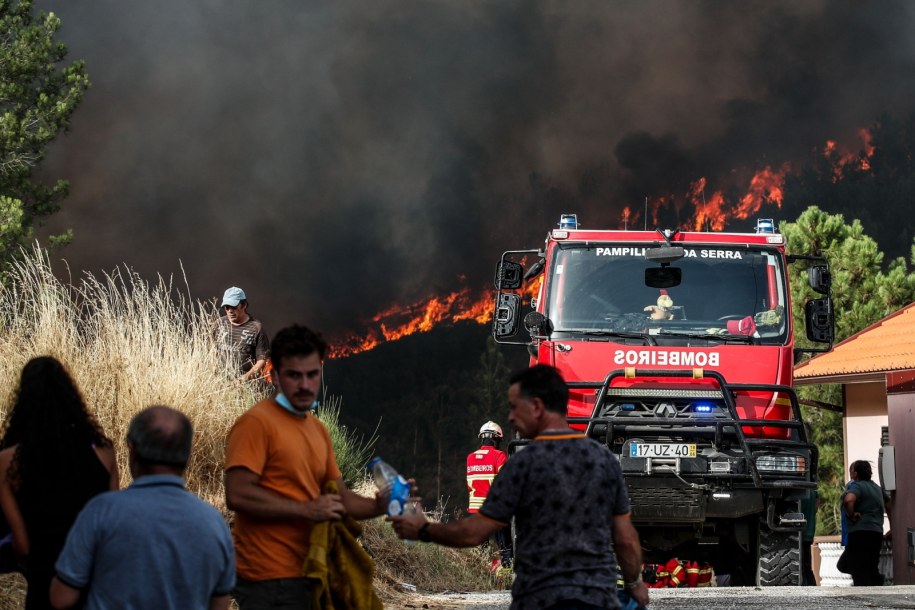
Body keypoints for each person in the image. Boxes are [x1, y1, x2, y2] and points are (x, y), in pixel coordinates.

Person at [392, 364, 650, 610]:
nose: (511, 417)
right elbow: (625, 538)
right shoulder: (604, 460)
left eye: (515, 408)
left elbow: (473, 533)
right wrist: (635, 584)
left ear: (536, 407)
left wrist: (423, 529)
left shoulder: (522, 464)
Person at [225, 324, 389, 610]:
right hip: (264, 578)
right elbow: (237, 495)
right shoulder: (255, 425)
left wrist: (380, 504)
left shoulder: (317, 431)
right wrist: (306, 509)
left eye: (312, 375)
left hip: (308, 574)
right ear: (274, 376)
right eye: (294, 375)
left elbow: (342, 497)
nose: (304, 385)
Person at [50, 405, 235, 609]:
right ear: (186, 455)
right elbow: (220, 604)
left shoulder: (100, 513)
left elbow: (62, 597)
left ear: (132, 449)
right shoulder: (214, 524)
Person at [0, 356, 118, 610]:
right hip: (92, 576)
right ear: (71, 398)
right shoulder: (104, 452)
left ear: (23, 400)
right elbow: (112, 523)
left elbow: (21, 545)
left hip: (43, 576)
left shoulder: (8, 462)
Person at [466, 420, 513, 572]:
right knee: (505, 546)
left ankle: (481, 575)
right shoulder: (499, 456)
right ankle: (506, 572)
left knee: (481, 550)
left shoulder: (470, 458)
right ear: (496, 439)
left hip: (475, 511)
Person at [842, 459, 891, 586]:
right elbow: (889, 505)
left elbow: (848, 500)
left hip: (859, 533)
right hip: (876, 533)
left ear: (856, 474)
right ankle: (876, 594)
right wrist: (892, 527)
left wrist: (851, 515)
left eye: (852, 470)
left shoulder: (857, 486)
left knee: (859, 569)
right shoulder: (877, 488)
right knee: (871, 566)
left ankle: (864, 598)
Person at [216, 286, 270, 382]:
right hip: (220, 382)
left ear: (244, 305)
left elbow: (262, 360)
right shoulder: (219, 323)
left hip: (246, 385)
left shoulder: (256, 328)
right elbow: (210, 350)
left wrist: (244, 378)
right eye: (227, 307)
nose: (230, 311)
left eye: (233, 306)